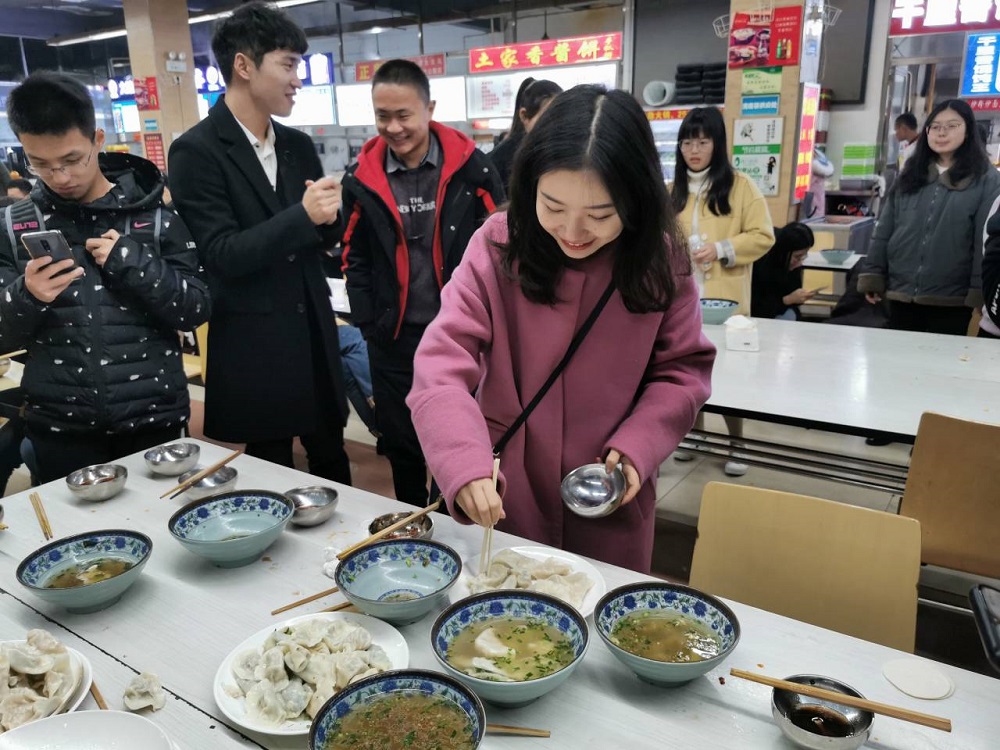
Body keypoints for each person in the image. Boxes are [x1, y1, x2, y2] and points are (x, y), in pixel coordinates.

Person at [406, 85, 715, 573]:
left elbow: (682, 372)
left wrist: (640, 444)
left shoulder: (660, 260)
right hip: (508, 486)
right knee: (505, 606)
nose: (572, 233)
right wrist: (462, 460)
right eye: (552, 207)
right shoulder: (498, 245)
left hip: (608, 489)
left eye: (600, 215)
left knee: (599, 604)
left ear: (636, 199)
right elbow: (441, 364)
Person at [169, 3, 352, 484]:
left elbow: (321, 236)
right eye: (288, 64)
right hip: (255, 342)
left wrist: (330, 217)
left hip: (312, 329)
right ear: (244, 66)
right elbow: (221, 254)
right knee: (271, 471)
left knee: (332, 459)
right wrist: (303, 215)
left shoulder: (296, 145)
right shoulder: (196, 151)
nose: (297, 80)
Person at [0, 72, 210, 482]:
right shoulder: (13, 226)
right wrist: (27, 294)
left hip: (153, 420)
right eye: (40, 164)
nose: (60, 177)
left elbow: (196, 309)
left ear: (98, 140)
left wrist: (135, 263)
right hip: (59, 427)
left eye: (71, 160)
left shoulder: (155, 217)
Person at [340, 59, 503, 506]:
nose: (393, 127)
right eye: (382, 116)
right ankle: (412, 518)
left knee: (462, 437)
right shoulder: (361, 179)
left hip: (462, 335)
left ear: (429, 109)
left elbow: (502, 246)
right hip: (393, 337)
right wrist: (368, 322)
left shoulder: (472, 169)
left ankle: (450, 517)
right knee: (401, 440)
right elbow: (353, 256)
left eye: (403, 115)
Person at [670, 106, 774, 476]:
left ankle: (737, 443)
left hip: (726, 303)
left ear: (717, 144)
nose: (694, 150)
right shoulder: (671, 192)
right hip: (682, 302)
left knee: (731, 376)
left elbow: (763, 236)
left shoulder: (741, 186)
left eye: (702, 142)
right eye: (687, 143)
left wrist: (722, 249)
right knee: (686, 372)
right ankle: (694, 435)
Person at [858, 99, 1000, 336]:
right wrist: (873, 274)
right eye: (935, 126)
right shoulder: (910, 173)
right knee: (895, 355)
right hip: (900, 292)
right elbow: (884, 229)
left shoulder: (987, 179)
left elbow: (984, 243)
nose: (941, 132)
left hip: (952, 299)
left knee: (941, 358)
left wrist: (979, 291)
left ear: (968, 131)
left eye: (952, 126)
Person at [488, 77, 562, 193]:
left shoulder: (567, 152)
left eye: (560, 117)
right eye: (546, 118)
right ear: (524, 116)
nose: (553, 125)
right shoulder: (499, 161)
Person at [751, 223, 816, 320]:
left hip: (782, 310)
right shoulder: (761, 261)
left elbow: (793, 293)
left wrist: (800, 296)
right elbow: (756, 307)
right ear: (784, 251)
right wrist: (787, 300)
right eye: (797, 256)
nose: (799, 262)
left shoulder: (791, 262)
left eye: (803, 256)